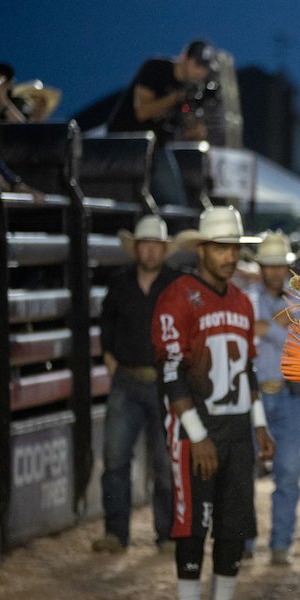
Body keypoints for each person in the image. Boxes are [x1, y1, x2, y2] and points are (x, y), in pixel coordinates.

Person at [154, 206, 273, 600]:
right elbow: (170, 370)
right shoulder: (178, 296)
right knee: (193, 519)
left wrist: (258, 424)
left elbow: (248, 369)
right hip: (196, 425)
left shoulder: (242, 302)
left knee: (234, 520)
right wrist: (196, 433)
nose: (229, 256)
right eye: (221, 247)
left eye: (235, 248)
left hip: (238, 426)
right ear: (201, 249)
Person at [93, 215, 181, 555]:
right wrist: (110, 356)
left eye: (155, 245)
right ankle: (116, 533)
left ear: (162, 249)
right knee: (115, 459)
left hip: (163, 382)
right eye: (145, 244)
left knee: (165, 463)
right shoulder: (120, 283)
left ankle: (168, 533)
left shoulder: (176, 285)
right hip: (127, 379)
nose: (150, 250)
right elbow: (107, 321)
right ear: (137, 248)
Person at [247, 231, 300, 566]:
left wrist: (267, 328)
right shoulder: (294, 303)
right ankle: (255, 542)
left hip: (282, 394)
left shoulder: (298, 302)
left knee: (286, 472)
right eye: (268, 266)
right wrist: (280, 328)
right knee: (246, 472)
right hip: (259, 394)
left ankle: (278, 543)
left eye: (278, 266)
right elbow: (250, 338)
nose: (273, 271)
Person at [107, 40, 217, 206]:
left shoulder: (189, 88)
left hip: (156, 147)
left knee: (183, 196)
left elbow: (177, 127)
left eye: (204, 68)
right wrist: (176, 98)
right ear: (185, 57)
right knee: (175, 203)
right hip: (127, 142)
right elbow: (142, 112)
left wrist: (193, 131)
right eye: (197, 64)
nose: (200, 72)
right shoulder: (156, 68)